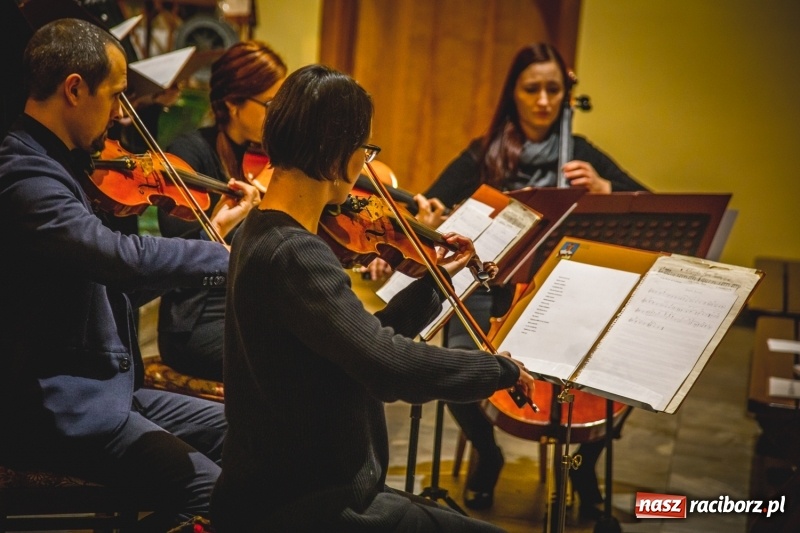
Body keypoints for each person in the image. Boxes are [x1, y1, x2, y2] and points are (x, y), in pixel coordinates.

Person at [211, 63, 536, 532]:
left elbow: (356, 342)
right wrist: (499, 370)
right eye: (364, 148)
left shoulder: (258, 232)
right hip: (310, 507)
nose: (365, 163)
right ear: (335, 150)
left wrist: (436, 282)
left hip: (287, 492)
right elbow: (387, 366)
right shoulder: (296, 253)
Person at [0, 18, 259, 530]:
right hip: (57, 411)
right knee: (217, 493)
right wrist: (236, 260)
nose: (122, 112)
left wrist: (211, 245)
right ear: (74, 88)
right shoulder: (23, 173)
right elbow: (120, 258)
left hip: (109, 391)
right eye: (116, 95)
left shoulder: (65, 166)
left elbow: (121, 280)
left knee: (257, 436)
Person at [423, 42, 649, 517]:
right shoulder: (486, 153)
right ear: (515, 94)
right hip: (491, 286)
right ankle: (489, 453)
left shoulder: (581, 153)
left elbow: (647, 202)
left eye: (553, 89)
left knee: (611, 377)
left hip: (567, 293)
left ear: (565, 94)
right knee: (455, 362)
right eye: (533, 89)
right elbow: (432, 202)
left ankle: (583, 466)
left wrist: (607, 190)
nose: (544, 100)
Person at [157, 40, 287, 381]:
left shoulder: (269, 162)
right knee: (293, 366)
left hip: (253, 314)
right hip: (199, 321)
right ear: (232, 103)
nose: (279, 115)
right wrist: (230, 219)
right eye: (271, 104)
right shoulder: (189, 153)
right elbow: (177, 252)